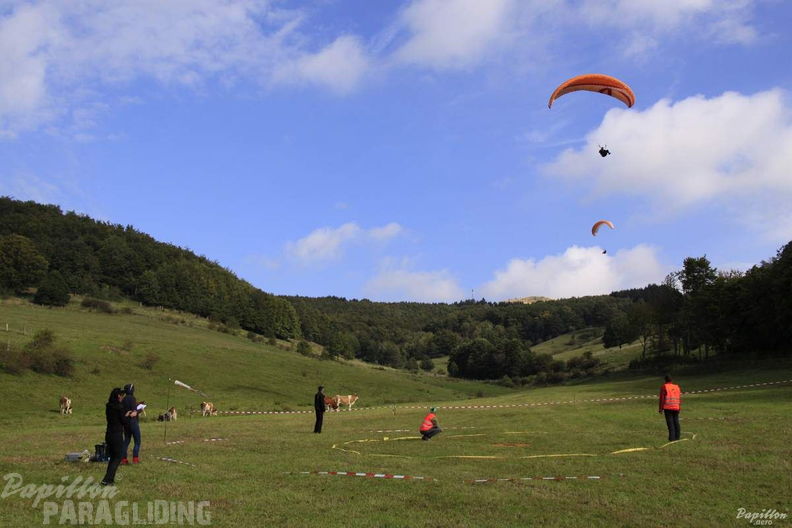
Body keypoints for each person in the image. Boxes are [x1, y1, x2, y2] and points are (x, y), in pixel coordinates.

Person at [102, 388, 136, 486]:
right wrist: (130, 415)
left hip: (109, 434)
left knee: (113, 457)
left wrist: (124, 415)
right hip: (116, 435)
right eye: (122, 396)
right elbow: (124, 422)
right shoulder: (119, 407)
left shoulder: (109, 406)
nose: (123, 398)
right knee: (118, 457)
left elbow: (117, 418)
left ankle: (109, 479)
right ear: (118, 396)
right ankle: (107, 479)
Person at [121, 383, 141, 464]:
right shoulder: (132, 398)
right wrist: (140, 410)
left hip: (126, 423)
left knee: (126, 441)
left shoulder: (123, 399)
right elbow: (134, 413)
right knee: (137, 441)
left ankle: (123, 459)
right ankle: (135, 459)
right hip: (133, 423)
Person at [659, 375, 682, 441]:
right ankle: (677, 437)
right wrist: (679, 406)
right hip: (676, 406)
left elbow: (662, 398)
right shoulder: (676, 387)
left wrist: (660, 408)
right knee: (676, 422)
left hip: (668, 407)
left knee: (670, 423)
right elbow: (679, 397)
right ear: (672, 380)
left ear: (665, 380)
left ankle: (672, 439)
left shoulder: (664, 386)